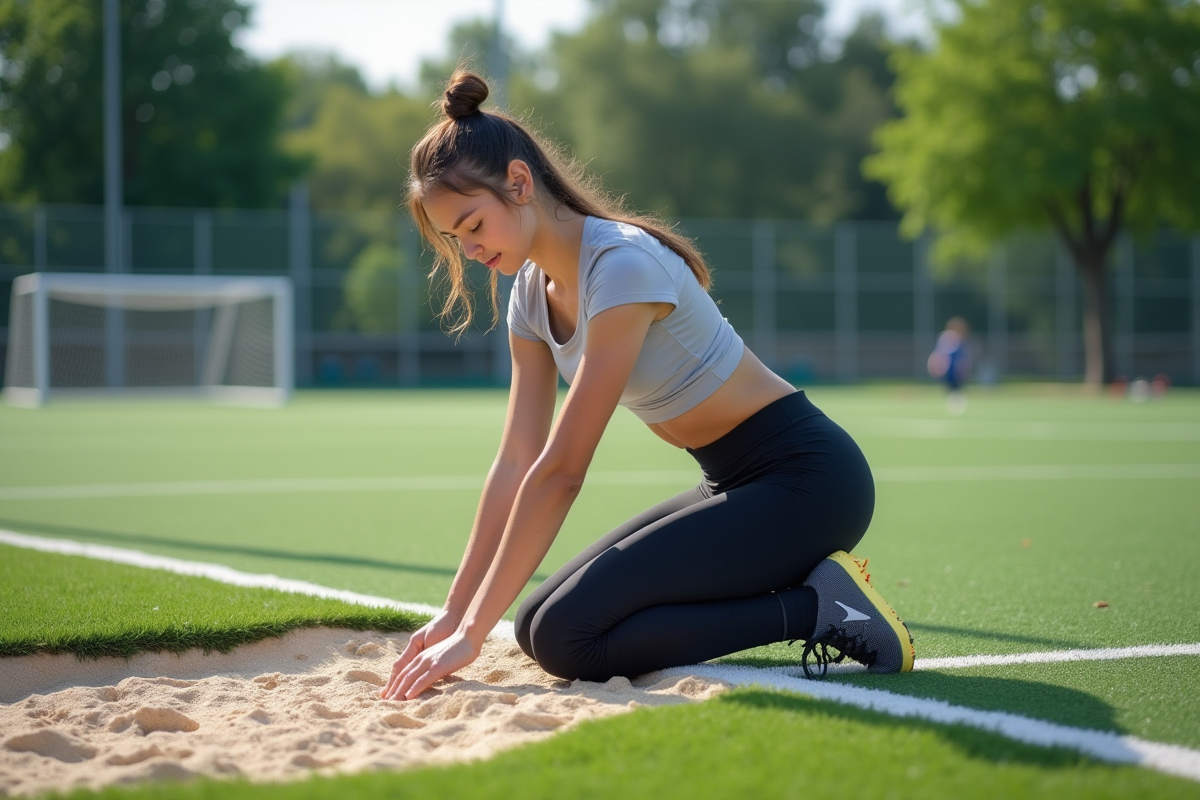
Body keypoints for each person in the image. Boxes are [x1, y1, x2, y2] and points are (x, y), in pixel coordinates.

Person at [382, 72, 913, 702]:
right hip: (729, 480)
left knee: (565, 639)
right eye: (454, 238)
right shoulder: (530, 293)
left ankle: (821, 612)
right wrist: (455, 612)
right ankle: (808, 597)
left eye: (473, 225)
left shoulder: (622, 266)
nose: (468, 249)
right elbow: (516, 461)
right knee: (533, 625)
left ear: (520, 184)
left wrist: (472, 634)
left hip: (807, 481)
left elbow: (561, 471)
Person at [927, 317, 972, 414]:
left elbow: (962, 358)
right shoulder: (946, 338)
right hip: (948, 371)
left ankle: (956, 402)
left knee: (956, 390)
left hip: (956, 371)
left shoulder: (960, 341)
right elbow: (939, 355)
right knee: (951, 390)